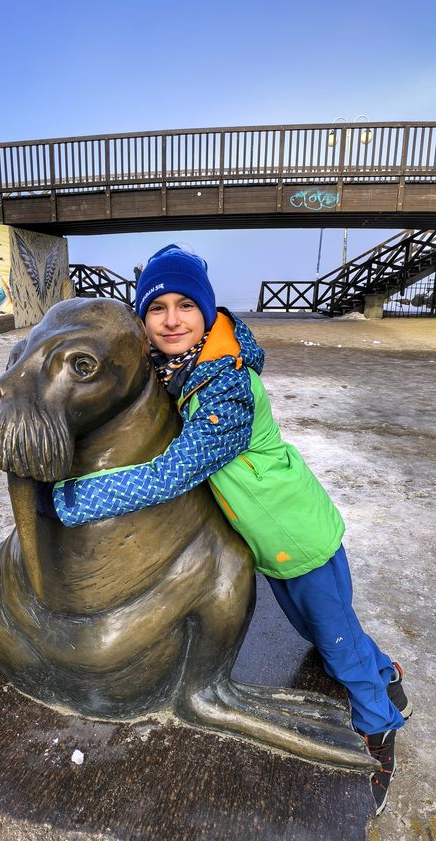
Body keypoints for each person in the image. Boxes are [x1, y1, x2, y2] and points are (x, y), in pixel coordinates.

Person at [52, 244, 412, 815]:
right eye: (157, 308)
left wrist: (82, 496)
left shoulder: (224, 386)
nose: (172, 320)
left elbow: (177, 469)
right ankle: (383, 668)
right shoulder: (177, 366)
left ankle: (379, 726)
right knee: (323, 626)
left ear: (208, 311)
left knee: (333, 642)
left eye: (186, 306)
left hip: (299, 539)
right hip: (272, 542)